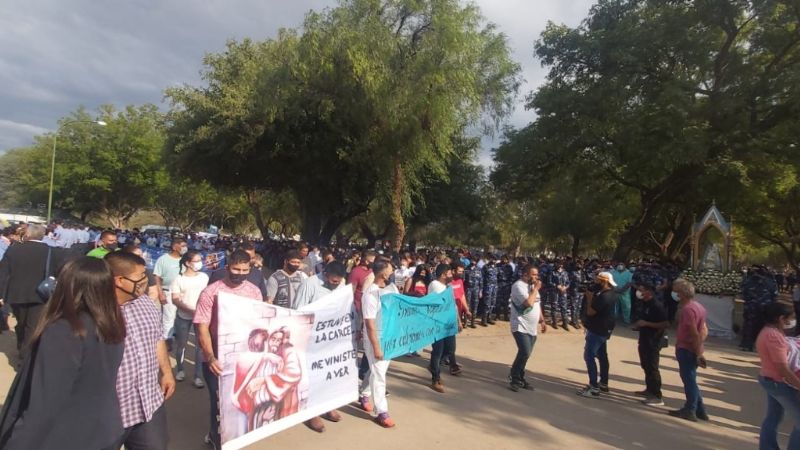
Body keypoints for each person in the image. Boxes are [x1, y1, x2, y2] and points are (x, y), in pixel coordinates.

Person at [0, 257, 126, 449]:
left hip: (63, 434)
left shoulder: (65, 330)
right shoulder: (110, 324)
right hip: (101, 429)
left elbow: (45, 402)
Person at [194, 250, 263, 449]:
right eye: (236, 269)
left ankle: (232, 435)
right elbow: (202, 327)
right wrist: (210, 356)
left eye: (245, 270)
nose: (240, 273)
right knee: (219, 403)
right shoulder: (211, 292)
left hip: (243, 357)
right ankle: (218, 441)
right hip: (216, 358)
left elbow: (258, 322)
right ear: (227, 267)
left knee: (240, 401)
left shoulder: (254, 291)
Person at [106, 252, 175, 450]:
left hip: (149, 405)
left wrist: (167, 372)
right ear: (119, 280)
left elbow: (157, 339)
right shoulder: (96, 314)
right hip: (112, 411)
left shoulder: (145, 303)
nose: (147, 280)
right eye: (141, 277)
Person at [288, 261, 348, 432]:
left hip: (332, 337)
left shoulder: (342, 284)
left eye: (339, 281)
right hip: (311, 337)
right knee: (312, 376)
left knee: (329, 373)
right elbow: (298, 310)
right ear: (325, 273)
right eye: (333, 281)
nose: (336, 284)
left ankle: (328, 406)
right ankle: (311, 412)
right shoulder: (310, 283)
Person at [0, 224, 67, 360]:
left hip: (16, 293)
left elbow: (3, 273)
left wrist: (1, 294)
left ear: (28, 234)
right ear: (43, 235)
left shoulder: (14, 250)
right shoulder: (52, 251)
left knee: (21, 321)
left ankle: (21, 344)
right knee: (32, 325)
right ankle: (25, 355)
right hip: (41, 294)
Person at [232, 327, 302, 432]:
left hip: (274, 404)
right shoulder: (262, 357)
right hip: (259, 406)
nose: (276, 343)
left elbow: (293, 373)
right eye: (273, 339)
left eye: (279, 340)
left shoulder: (285, 353)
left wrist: (265, 380)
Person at [359, 259, 398, 428]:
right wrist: (375, 346)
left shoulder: (391, 289)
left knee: (376, 370)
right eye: (391, 270)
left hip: (388, 337)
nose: (393, 273)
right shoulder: (370, 294)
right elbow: (369, 323)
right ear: (383, 273)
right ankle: (381, 411)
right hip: (376, 338)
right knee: (379, 373)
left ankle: (364, 393)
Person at [756, 302, 800, 449]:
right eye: (791, 317)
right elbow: (783, 369)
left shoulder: (770, 332)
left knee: (773, 417)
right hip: (778, 382)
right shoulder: (774, 337)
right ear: (781, 318)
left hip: (770, 379)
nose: (793, 321)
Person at [668, 278, 710, 422]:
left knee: (689, 380)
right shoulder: (699, 307)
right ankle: (700, 409)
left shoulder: (687, 310)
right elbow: (704, 330)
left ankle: (690, 409)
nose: (675, 294)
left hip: (687, 348)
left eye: (676, 291)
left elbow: (693, 332)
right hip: (693, 347)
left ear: (682, 294)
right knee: (691, 379)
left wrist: (698, 352)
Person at [170, 250, 209, 388]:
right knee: (182, 345)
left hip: (201, 318)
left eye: (200, 260)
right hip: (183, 317)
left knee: (200, 347)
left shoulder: (204, 277)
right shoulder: (179, 279)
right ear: (187, 263)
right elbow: (175, 299)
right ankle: (180, 370)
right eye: (196, 260)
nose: (200, 263)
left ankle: (198, 376)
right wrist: (190, 309)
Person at [577, 272, 618, 398]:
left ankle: (594, 387)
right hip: (604, 329)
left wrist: (589, 298)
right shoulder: (611, 294)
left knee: (589, 356)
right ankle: (603, 383)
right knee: (602, 356)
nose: (595, 283)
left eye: (598, 280)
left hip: (597, 330)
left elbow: (590, 312)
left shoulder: (604, 297)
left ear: (604, 281)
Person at [508, 264, 546, 392]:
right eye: (533, 274)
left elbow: (537, 303)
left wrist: (542, 320)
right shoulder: (518, 286)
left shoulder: (533, 287)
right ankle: (514, 377)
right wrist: (536, 288)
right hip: (520, 325)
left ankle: (520, 377)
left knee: (526, 354)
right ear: (525, 274)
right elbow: (528, 303)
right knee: (525, 351)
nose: (536, 277)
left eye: (537, 275)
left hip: (532, 327)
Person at [633, 282, 669, 406]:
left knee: (652, 367)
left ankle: (657, 395)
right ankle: (649, 390)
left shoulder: (656, 305)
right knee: (645, 365)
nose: (639, 292)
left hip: (653, 341)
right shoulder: (644, 303)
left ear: (649, 292)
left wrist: (647, 324)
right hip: (644, 339)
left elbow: (665, 324)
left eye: (642, 290)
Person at [428, 264, 458, 393]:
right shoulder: (435, 284)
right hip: (437, 323)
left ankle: (434, 366)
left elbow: (452, 305)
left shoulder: (448, 287)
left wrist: (458, 320)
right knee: (438, 350)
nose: (452, 275)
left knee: (450, 349)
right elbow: (443, 302)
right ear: (443, 275)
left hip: (449, 323)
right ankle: (436, 378)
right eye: (450, 273)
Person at [153, 238, 188, 348]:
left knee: (181, 316)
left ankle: (178, 336)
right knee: (168, 318)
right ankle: (167, 341)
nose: (185, 248)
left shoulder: (186, 260)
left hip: (184, 292)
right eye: (182, 245)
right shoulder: (163, 259)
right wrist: (160, 293)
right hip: (168, 292)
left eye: (185, 245)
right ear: (174, 247)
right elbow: (157, 277)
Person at [464, 258, 483, 328]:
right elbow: (463, 280)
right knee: (467, 306)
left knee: (475, 306)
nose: (473, 261)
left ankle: (472, 322)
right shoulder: (466, 269)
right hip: (468, 289)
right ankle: (465, 322)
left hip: (476, 290)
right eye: (472, 260)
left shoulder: (479, 269)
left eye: (475, 260)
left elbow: (481, 281)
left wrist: (481, 291)